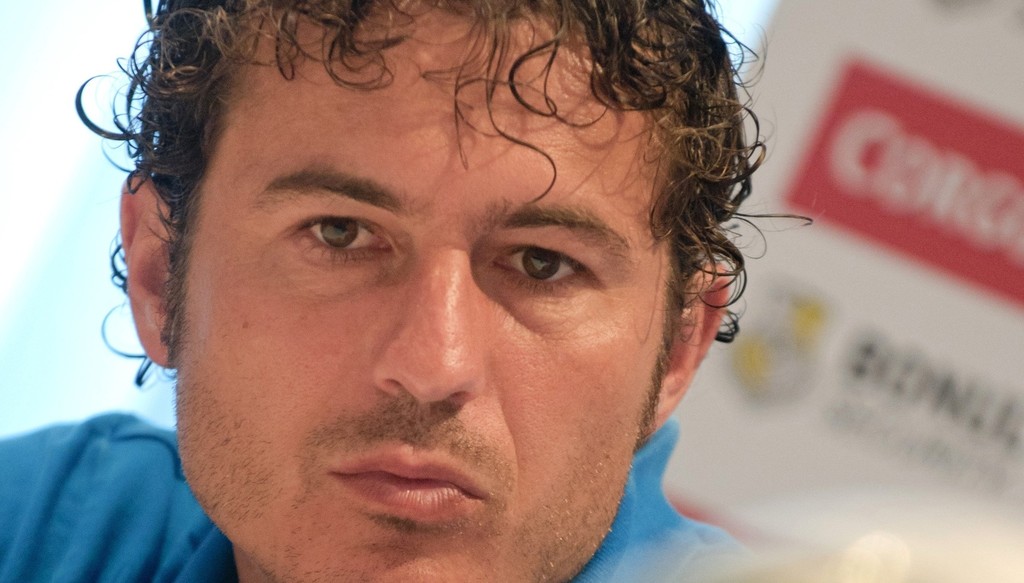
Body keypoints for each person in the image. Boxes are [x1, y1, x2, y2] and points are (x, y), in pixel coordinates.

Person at [0, 0, 763, 581]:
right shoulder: (40, 530)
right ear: (160, 275)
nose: (433, 364)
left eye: (542, 262)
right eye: (338, 233)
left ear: (677, 350)